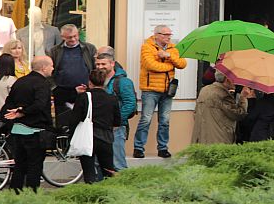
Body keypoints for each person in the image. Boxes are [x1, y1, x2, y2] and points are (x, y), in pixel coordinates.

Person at [1, 56, 54, 193]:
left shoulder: (20, 81)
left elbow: (9, 102)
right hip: (35, 130)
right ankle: (31, 196)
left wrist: (14, 115)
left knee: (19, 166)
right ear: (44, 68)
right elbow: (40, 105)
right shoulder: (43, 84)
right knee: (34, 167)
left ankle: (14, 194)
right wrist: (23, 112)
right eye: (51, 66)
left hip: (18, 130)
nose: (53, 69)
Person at [133, 25, 187, 158]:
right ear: (156, 35)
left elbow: (182, 64)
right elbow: (150, 65)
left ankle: (162, 148)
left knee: (165, 121)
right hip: (150, 90)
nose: (168, 37)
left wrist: (168, 55)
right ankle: (138, 148)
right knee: (146, 119)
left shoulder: (172, 48)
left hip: (168, 90)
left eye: (170, 34)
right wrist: (170, 66)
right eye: (165, 35)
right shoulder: (147, 47)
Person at [62, 69, 120, 184]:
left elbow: (74, 119)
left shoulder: (84, 97)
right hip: (106, 138)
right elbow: (117, 121)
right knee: (108, 171)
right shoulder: (112, 99)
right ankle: (109, 196)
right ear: (104, 82)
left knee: (88, 172)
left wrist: (70, 135)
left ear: (90, 82)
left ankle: (91, 195)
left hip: (87, 138)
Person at [95, 50, 136, 171]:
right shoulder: (96, 80)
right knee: (99, 164)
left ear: (112, 64)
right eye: (97, 64)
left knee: (118, 164)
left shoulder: (123, 82)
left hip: (116, 128)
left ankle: (122, 189)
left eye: (103, 64)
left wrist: (116, 121)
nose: (100, 67)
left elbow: (130, 104)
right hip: (99, 127)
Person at [47, 24, 97, 115]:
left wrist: (92, 85)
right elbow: (48, 71)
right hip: (62, 93)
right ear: (63, 37)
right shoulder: (55, 51)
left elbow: (95, 69)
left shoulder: (89, 48)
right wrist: (55, 88)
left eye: (75, 36)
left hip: (85, 91)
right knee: (64, 122)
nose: (73, 39)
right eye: (70, 37)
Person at [192, 71, 250, 144]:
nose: (236, 82)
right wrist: (243, 97)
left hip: (201, 138)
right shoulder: (223, 95)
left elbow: (195, 113)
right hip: (219, 140)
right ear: (227, 79)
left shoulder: (204, 90)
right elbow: (239, 114)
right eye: (235, 79)